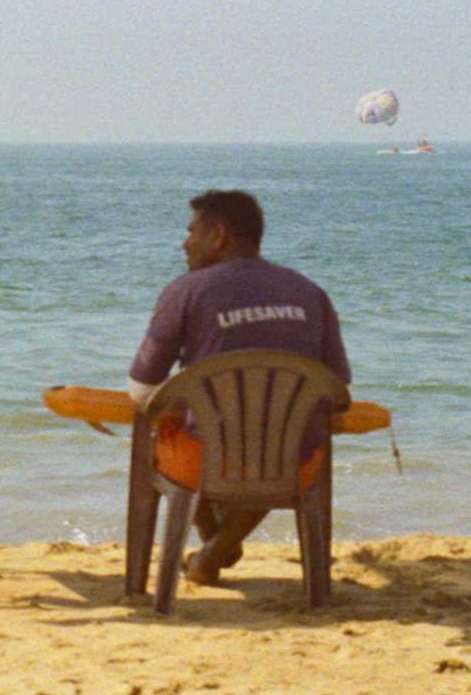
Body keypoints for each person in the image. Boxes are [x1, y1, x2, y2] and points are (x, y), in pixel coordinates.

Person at [126, 188, 350, 585]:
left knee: (160, 433)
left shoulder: (185, 291)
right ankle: (215, 550)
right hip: (293, 466)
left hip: (202, 464)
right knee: (284, 436)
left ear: (219, 236)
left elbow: (142, 389)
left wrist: (177, 404)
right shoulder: (311, 293)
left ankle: (213, 546)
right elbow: (337, 390)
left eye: (192, 231)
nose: (184, 242)